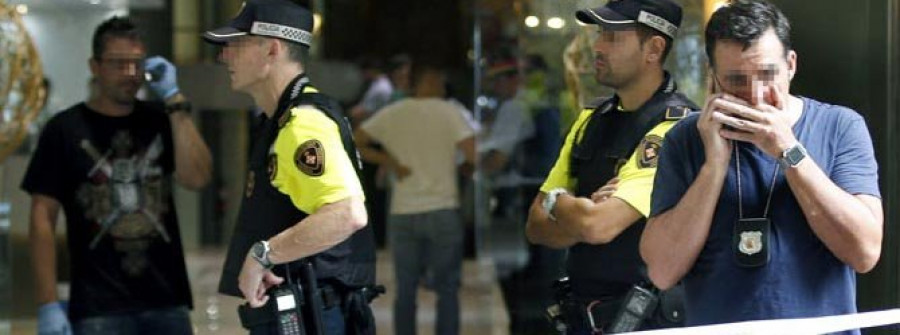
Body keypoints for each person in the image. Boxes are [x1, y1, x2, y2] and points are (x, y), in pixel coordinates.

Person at [640, 0, 883, 332]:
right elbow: (662, 271)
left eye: (768, 75)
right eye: (736, 80)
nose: (755, 96)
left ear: (791, 65)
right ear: (713, 79)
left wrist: (789, 151)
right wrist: (714, 166)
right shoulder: (685, 139)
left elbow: (865, 252)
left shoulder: (840, 125)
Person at [23, 16, 211, 335]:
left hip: (166, 300)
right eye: (118, 63)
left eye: (137, 63)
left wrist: (175, 101)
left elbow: (197, 178)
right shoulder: (64, 130)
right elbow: (42, 217)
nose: (130, 74)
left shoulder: (161, 120)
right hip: (98, 307)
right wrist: (47, 302)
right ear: (94, 66)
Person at [202, 1, 378, 334]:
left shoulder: (303, 125)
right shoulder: (281, 121)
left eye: (236, 44)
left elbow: (347, 213)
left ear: (272, 49)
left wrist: (263, 254)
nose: (224, 56)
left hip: (315, 317)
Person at [524, 0, 696, 333]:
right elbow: (535, 226)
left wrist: (558, 202)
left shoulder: (675, 127)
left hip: (645, 319)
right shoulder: (591, 119)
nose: (598, 47)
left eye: (613, 38)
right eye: (601, 33)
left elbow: (597, 226)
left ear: (653, 49)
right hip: (580, 316)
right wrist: (578, 210)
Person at [354, 64, 476, 335]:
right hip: (443, 209)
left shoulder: (393, 113)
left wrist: (389, 161)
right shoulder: (451, 112)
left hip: (403, 211)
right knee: (447, 288)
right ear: (432, 82)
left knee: (405, 289)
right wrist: (462, 171)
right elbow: (471, 154)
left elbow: (356, 141)